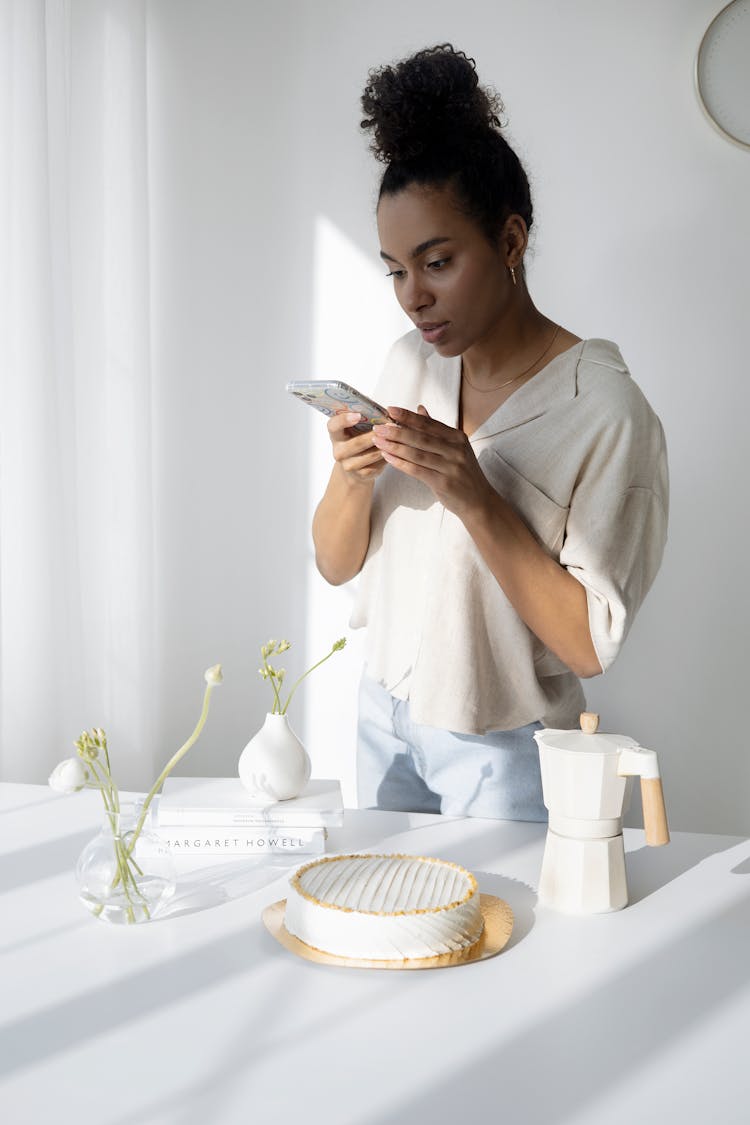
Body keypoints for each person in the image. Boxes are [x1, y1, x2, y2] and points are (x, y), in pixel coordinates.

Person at [312, 44, 668, 821]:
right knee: (388, 929)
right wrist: (349, 476)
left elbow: (587, 646)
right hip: (383, 715)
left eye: (436, 261)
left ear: (510, 242)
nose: (413, 297)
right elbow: (335, 564)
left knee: (506, 938)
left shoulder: (607, 413)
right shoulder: (408, 363)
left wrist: (475, 495)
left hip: (503, 752)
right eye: (395, 270)